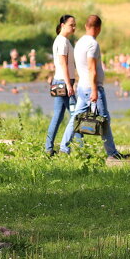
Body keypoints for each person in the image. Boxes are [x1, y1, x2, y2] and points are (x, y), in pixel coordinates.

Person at [59, 15, 122, 159]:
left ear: (86, 26)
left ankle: (64, 148)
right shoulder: (93, 44)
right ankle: (112, 153)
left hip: (82, 86)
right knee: (104, 118)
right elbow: (92, 68)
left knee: (75, 118)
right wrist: (94, 90)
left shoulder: (80, 42)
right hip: (91, 88)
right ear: (99, 28)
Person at [44, 14, 77, 156]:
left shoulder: (61, 40)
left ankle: (48, 148)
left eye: (75, 25)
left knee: (58, 116)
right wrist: (69, 85)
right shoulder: (62, 41)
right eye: (71, 25)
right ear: (63, 25)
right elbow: (62, 63)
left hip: (60, 81)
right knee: (76, 115)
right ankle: (79, 149)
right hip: (64, 83)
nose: (74, 27)